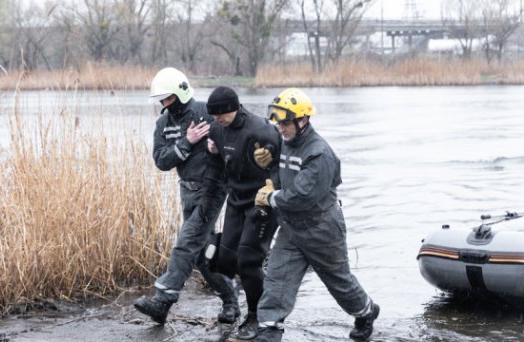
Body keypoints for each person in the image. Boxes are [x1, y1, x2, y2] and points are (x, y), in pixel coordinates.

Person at [249, 88, 380, 341]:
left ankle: (366, 312)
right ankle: (269, 331)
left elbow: (301, 196)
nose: (281, 128)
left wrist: (271, 198)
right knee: (277, 279)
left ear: (303, 120)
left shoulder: (319, 153)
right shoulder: (285, 142)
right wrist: (268, 165)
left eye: (286, 122)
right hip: (291, 229)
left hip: (322, 229)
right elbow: (284, 176)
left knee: (339, 282)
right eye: (279, 122)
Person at [133, 67, 239, 325]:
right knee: (202, 257)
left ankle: (163, 301)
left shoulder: (206, 112)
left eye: (167, 98)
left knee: (186, 242)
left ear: (180, 93)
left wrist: (219, 148)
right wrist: (187, 142)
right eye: (161, 99)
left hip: (212, 190)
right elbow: (161, 161)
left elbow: (238, 134)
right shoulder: (163, 124)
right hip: (187, 190)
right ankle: (230, 299)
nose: (163, 103)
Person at [200, 86, 280, 340]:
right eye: (213, 116)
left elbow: (285, 164)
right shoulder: (216, 130)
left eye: (220, 114)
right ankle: (264, 291)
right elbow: (215, 167)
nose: (216, 119)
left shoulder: (261, 129)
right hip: (236, 200)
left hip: (262, 202)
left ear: (232, 108)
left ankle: (257, 315)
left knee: (248, 260)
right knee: (223, 260)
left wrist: (273, 186)